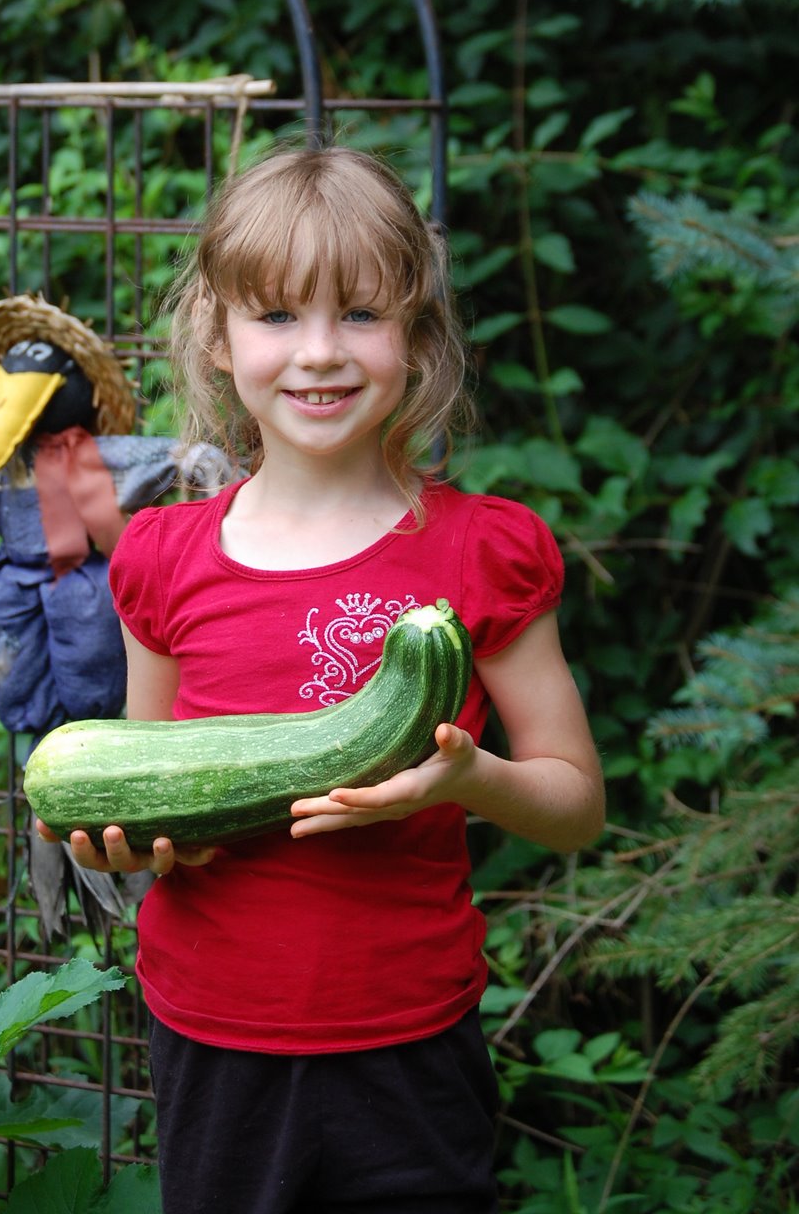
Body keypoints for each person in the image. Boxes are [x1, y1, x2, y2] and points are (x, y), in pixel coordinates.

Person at [36, 144, 605, 1214]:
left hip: (408, 1037)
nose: (318, 354)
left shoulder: (480, 551)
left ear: (417, 337)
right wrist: (139, 844)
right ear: (216, 333)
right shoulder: (163, 554)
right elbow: (144, 771)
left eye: (358, 314)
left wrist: (465, 778)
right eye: (277, 316)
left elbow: (574, 803)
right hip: (212, 1033)